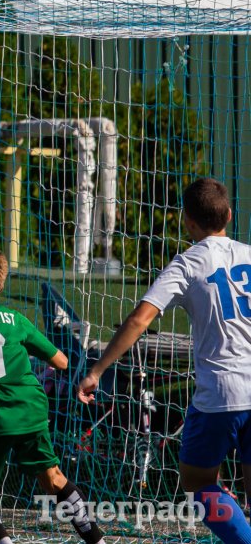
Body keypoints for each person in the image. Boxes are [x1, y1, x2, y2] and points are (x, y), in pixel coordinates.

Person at [77, 178, 251, 544]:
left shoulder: (188, 263)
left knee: (197, 482)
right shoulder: (249, 254)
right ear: (229, 215)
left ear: (187, 221)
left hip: (220, 393)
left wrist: (97, 370)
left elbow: (140, 319)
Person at [0, 244, 105, 544]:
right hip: (29, 408)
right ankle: (97, 541)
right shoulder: (15, 318)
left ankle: (3, 540)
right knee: (53, 479)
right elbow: (62, 362)